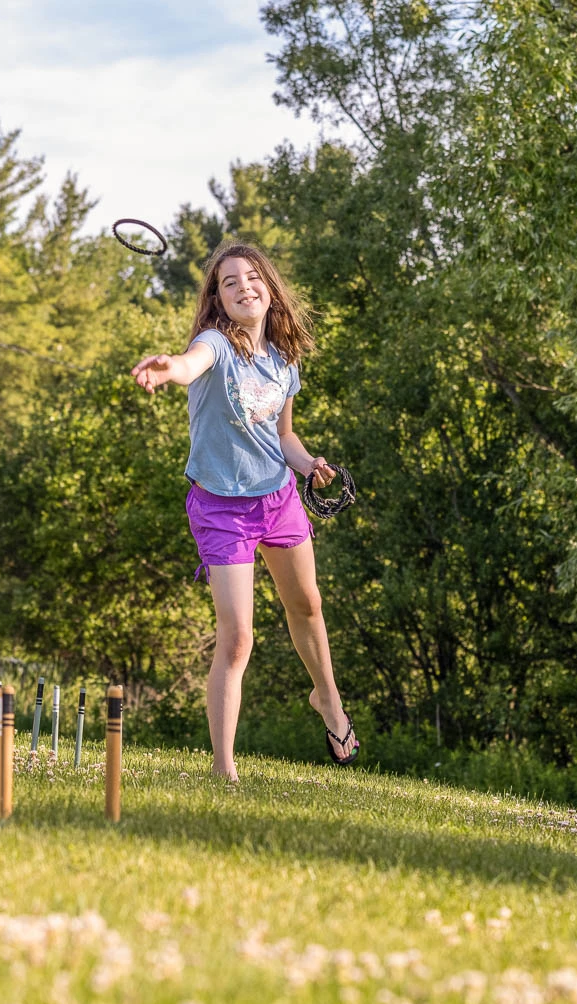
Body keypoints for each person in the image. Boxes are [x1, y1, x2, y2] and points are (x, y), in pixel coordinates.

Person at [131, 241, 357, 778]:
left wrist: (308, 464)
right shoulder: (215, 344)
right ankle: (224, 769)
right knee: (237, 639)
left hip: (278, 498)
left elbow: (284, 436)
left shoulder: (283, 359)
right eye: (228, 282)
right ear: (218, 298)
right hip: (221, 508)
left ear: (270, 288)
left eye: (252, 277)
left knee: (307, 606)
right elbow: (192, 364)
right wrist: (170, 368)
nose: (242, 287)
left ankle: (326, 698)